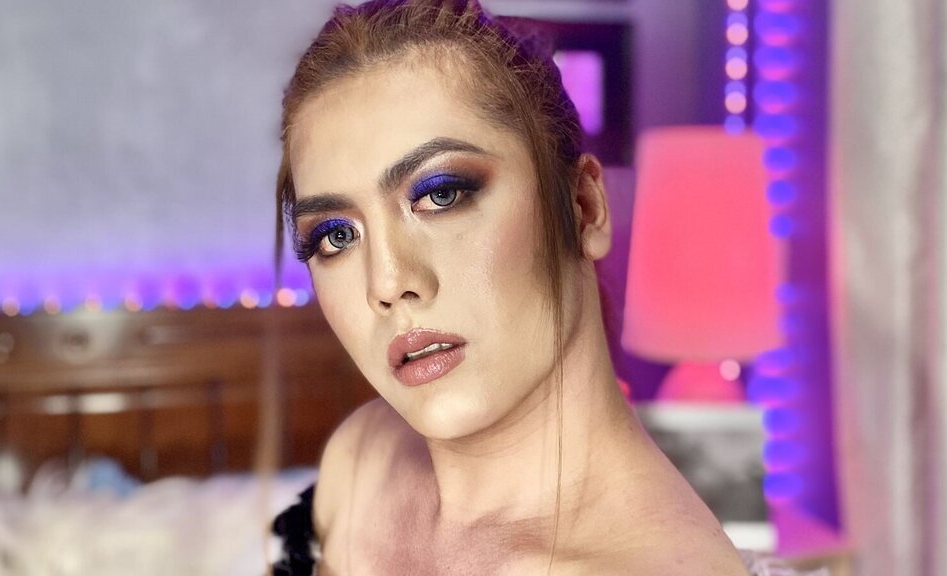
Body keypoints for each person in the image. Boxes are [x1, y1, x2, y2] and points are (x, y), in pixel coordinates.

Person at [270, 1, 778, 574]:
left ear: (584, 207)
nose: (387, 283)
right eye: (336, 236)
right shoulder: (359, 461)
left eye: (441, 194)